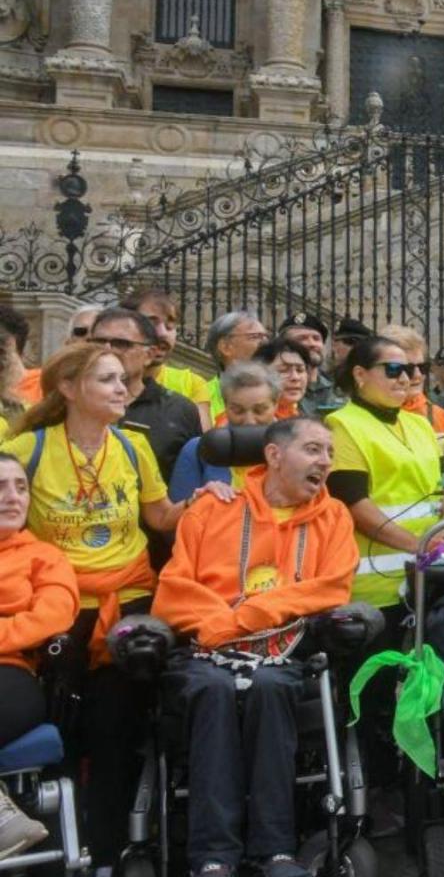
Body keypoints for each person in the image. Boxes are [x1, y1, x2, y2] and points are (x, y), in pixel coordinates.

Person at [1, 344, 229, 870]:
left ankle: (110, 852)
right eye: (108, 379)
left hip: (129, 606)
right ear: (68, 388)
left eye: (124, 379)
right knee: (64, 736)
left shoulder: (133, 448)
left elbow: (161, 518)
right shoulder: (29, 447)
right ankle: (55, 853)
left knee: (116, 731)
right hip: (57, 611)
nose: (123, 389)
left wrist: (198, 501)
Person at [153, 416, 358, 877]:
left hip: (285, 653)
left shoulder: (335, 516)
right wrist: (223, 629)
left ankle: (275, 851)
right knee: (213, 690)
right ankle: (212, 857)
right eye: (313, 449)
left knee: (268, 688)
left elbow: (333, 588)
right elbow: (174, 589)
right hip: (205, 649)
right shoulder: (210, 508)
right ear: (273, 455)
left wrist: (251, 616)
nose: (325, 461)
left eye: (329, 452)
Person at [324, 336, 443, 611]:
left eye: (413, 370)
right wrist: (418, 545)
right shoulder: (342, 424)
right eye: (392, 369)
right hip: (376, 582)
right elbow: (354, 505)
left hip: (428, 573)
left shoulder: (419, 424)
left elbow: (443, 486)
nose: (405, 378)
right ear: (360, 374)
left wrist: (442, 537)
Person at [0, 452, 78, 859]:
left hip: (11, 676)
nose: (12, 497)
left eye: (20, 486)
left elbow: (52, 616)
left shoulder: (43, 556)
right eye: (0, 486)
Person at [91, 307, 203, 482]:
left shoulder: (179, 410)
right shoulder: (70, 403)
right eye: (98, 342)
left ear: (149, 354)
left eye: (121, 344)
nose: (107, 350)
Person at [170, 362, 280, 502]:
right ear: (225, 405)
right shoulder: (198, 450)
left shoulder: (293, 453)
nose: (249, 421)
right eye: (238, 411)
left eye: (260, 411)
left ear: (276, 404)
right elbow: (176, 516)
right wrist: (200, 498)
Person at [121, 289, 213, 429]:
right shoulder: (101, 382)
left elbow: (201, 446)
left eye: (170, 325)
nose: (163, 333)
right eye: (151, 323)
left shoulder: (191, 384)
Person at [14, 304, 103, 405]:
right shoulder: (38, 381)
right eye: (80, 332)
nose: (89, 337)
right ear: (67, 343)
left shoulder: (120, 387)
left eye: (96, 332)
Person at [375, 325, 444, 435]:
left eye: (423, 367)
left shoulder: (443, 418)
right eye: (408, 369)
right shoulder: (363, 414)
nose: (417, 375)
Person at [205, 311, 270, 420]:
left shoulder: (278, 392)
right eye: (255, 337)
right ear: (225, 347)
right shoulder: (203, 397)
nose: (265, 343)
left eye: (266, 337)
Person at [278, 313, 343, 418]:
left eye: (316, 338)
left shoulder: (339, 388)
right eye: (302, 339)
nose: (312, 343)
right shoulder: (275, 387)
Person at [255, 337, 311, 421]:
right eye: (283, 370)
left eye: (300, 370)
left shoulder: (303, 417)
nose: (295, 377)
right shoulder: (252, 420)